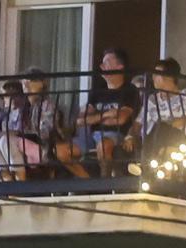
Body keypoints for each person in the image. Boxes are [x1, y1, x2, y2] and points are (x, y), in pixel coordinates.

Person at [59, 48, 139, 177]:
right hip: (92, 135)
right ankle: (87, 180)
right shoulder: (97, 91)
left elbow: (121, 119)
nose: (102, 66)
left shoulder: (130, 90)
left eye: (107, 62)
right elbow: (80, 120)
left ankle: (104, 183)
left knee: (104, 144)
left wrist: (95, 117)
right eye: (102, 63)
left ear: (119, 67)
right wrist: (107, 114)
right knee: (61, 151)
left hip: (116, 134)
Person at [135, 57, 186, 161]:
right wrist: (130, 136)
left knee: (160, 128)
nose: (153, 77)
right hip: (151, 139)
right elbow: (138, 122)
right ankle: (149, 163)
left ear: (169, 77)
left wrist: (163, 127)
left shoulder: (185, 95)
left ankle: (146, 166)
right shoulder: (152, 99)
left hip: (177, 137)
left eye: (156, 74)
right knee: (155, 131)